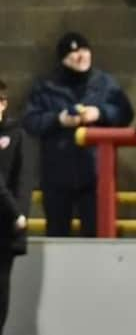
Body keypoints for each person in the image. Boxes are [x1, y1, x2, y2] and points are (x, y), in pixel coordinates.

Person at [23, 33, 134, 237]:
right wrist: (59, 119)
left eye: (83, 50)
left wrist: (100, 113)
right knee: (57, 233)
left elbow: (125, 113)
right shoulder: (45, 86)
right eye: (73, 53)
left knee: (96, 234)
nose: (80, 56)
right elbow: (31, 121)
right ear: (63, 59)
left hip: (95, 174)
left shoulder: (105, 83)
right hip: (57, 175)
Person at [0, 80, 34, 335]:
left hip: (4, 231)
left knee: (1, 297)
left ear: (3, 104)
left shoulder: (17, 136)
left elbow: (23, 182)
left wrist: (19, 217)